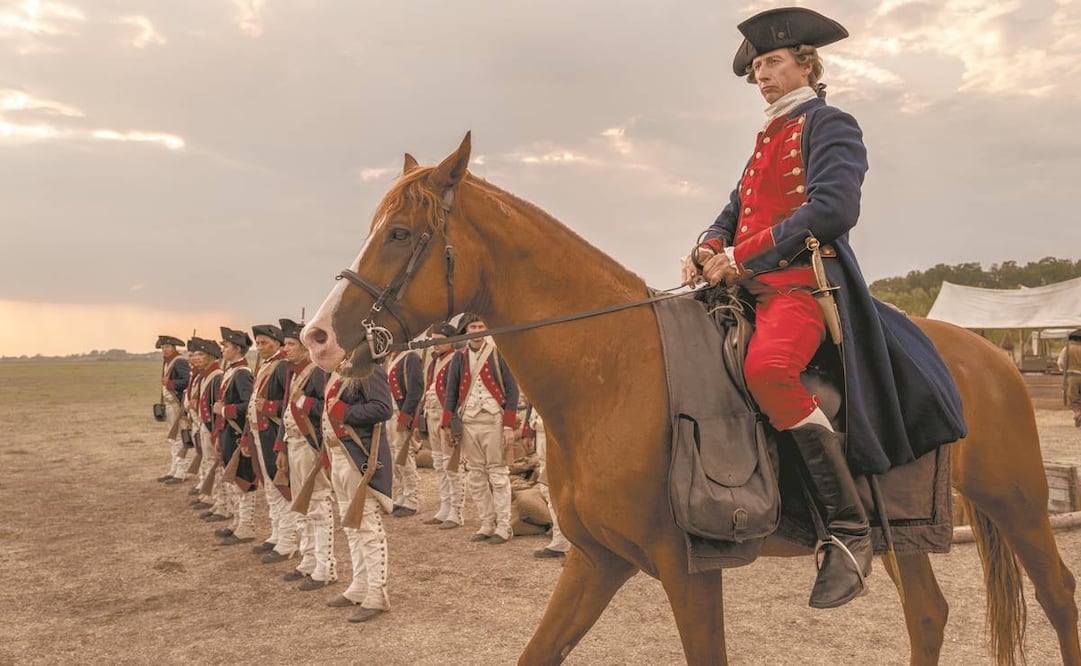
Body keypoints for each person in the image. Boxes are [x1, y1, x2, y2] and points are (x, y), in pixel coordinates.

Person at [682, 7, 966, 609]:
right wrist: (706, 245)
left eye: (773, 62)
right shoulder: (764, 140)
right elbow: (732, 210)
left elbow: (833, 210)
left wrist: (744, 253)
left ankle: (848, 530)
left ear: (806, 64)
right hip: (747, 285)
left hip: (800, 286)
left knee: (769, 369)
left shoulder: (830, 124)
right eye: (757, 66)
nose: (762, 74)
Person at [322, 366, 394, 622]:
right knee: (351, 527)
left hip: (358, 457)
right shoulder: (336, 372)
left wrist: (343, 411)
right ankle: (360, 585)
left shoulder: (369, 370)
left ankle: (377, 593)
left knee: (367, 528)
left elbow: (383, 408)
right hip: (339, 455)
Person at [442, 314, 520, 545]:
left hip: (494, 421)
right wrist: (447, 423)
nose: (476, 330)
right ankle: (487, 523)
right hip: (468, 422)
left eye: (480, 326)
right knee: (475, 475)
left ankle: (504, 526)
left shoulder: (498, 353)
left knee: (497, 475)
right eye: (472, 327)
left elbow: (512, 391)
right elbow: (451, 392)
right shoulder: (459, 357)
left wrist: (508, 426)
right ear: (466, 332)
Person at [274, 318, 335, 581]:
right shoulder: (294, 372)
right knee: (301, 506)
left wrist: (303, 400)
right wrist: (281, 448)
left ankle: (326, 566)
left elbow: (327, 409)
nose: (285, 349)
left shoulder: (318, 372)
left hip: (312, 446)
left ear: (303, 346)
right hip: (293, 445)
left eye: (290, 344)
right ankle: (307, 560)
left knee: (318, 505)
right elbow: (287, 410)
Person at [247, 324, 297, 562]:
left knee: (280, 487)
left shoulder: (281, 367)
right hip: (260, 433)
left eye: (264, 343)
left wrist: (266, 407)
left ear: (276, 344)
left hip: (273, 432)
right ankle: (277, 534)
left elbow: (288, 405)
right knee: (269, 487)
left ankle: (288, 541)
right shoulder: (265, 366)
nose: (259, 347)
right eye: (257, 343)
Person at [416, 322, 466, 529]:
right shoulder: (433, 361)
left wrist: (450, 420)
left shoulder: (457, 359)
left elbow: (456, 391)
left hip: (446, 416)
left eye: (438, 340)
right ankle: (445, 506)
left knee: (452, 465)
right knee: (438, 463)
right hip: (432, 414)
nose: (434, 345)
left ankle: (456, 511)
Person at [213, 327, 257, 546]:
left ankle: (246, 526)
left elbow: (247, 404)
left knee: (244, 480)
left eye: (227, 346)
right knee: (233, 480)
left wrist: (223, 411)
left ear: (238, 349)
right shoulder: (231, 371)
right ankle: (238, 522)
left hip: (237, 432)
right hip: (227, 432)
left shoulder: (242, 373)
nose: (223, 350)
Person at [521, 406, 570, 559]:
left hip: (559, 431)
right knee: (547, 489)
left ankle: (571, 544)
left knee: (562, 488)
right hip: (540, 431)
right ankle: (561, 541)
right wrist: (528, 431)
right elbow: (533, 400)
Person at [386, 348, 424, 517]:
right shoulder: (389, 358)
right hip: (388, 415)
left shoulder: (411, 357)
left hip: (400, 414)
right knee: (394, 458)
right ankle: (401, 495)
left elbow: (416, 389)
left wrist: (406, 414)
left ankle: (412, 499)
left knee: (403, 456)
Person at [155, 335, 190, 484]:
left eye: (167, 347)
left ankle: (181, 472)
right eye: (163, 347)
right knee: (172, 438)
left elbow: (187, 381)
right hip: (170, 404)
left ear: (174, 348)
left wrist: (170, 383)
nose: (164, 350)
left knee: (178, 438)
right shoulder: (168, 362)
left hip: (176, 404)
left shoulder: (179, 361)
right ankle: (174, 469)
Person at [1059, 330, 1081, 428]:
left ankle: (1078, 414)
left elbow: (1060, 363)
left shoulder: (1066, 349)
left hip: (1072, 376)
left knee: (1074, 398)